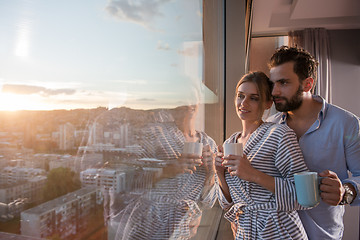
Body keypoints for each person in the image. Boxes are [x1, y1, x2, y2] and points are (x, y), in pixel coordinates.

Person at [267, 46, 360, 239]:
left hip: (323, 235)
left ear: (307, 84)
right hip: (276, 235)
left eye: (283, 83)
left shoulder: (346, 123)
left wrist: (346, 191)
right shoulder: (268, 127)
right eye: (272, 83)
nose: (274, 91)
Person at [215, 71, 310, 239]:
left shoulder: (279, 134)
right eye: (240, 96)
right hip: (245, 230)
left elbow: (304, 195)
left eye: (254, 98)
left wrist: (253, 174)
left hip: (279, 230)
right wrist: (219, 172)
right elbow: (227, 204)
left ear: (267, 103)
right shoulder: (229, 143)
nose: (243, 103)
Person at [113, 101, 217, 239]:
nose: (187, 104)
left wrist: (211, 172)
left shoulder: (209, 144)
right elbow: (129, 183)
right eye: (182, 99)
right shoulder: (154, 134)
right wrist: (167, 170)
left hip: (185, 227)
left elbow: (208, 203)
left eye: (191, 98)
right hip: (149, 224)